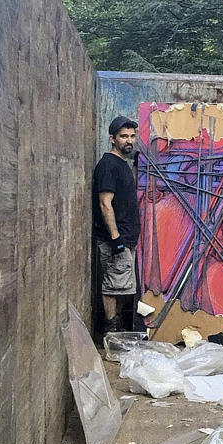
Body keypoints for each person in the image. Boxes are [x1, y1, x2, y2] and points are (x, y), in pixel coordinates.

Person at [93, 115, 141, 334]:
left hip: (126, 237)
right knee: (113, 286)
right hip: (115, 239)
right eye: (123, 136)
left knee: (122, 286)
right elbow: (105, 203)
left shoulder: (122, 164)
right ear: (112, 139)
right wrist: (115, 238)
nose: (128, 140)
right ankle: (111, 333)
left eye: (132, 136)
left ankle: (117, 330)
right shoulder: (108, 165)